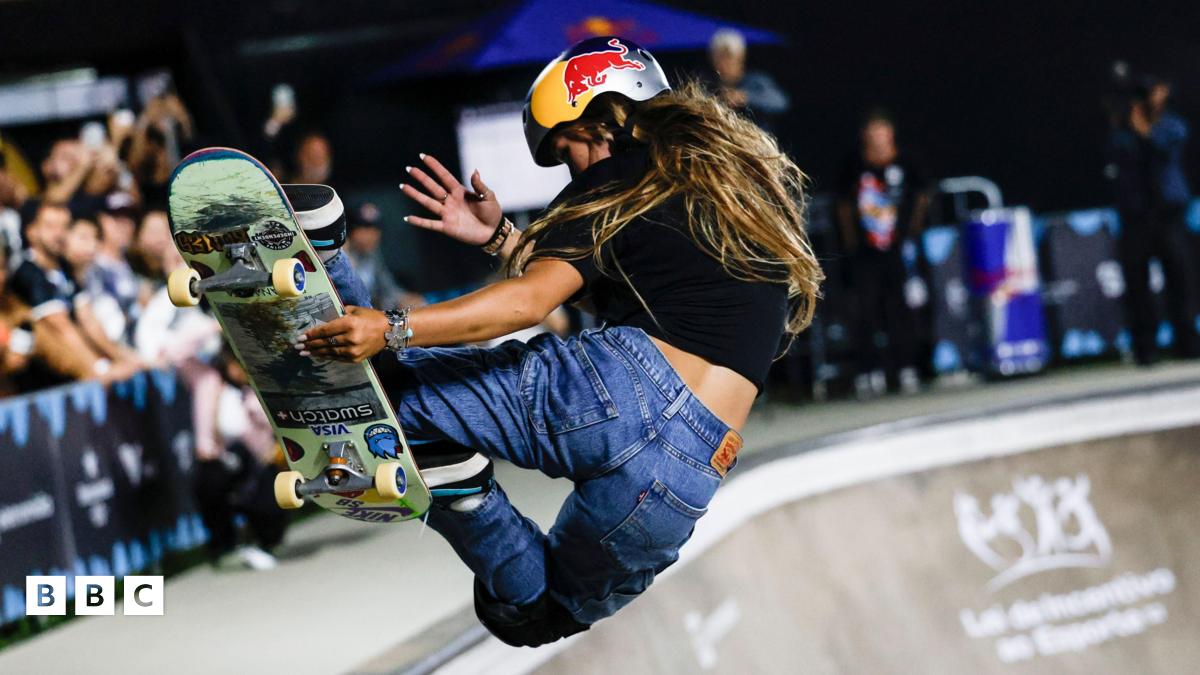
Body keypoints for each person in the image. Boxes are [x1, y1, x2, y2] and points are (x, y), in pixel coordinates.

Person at [296, 37, 822, 646]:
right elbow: (619, 292)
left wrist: (389, 330)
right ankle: (462, 491)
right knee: (541, 615)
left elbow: (529, 302)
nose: (572, 169)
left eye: (567, 147)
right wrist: (501, 238)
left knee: (390, 400)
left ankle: (320, 250)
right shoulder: (727, 195)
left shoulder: (613, 175)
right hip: (689, 467)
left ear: (599, 116)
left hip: (620, 391)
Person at [836, 109, 931, 397]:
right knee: (865, 310)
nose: (878, 139)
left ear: (891, 134)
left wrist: (911, 232)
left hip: (898, 249)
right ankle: (869, 371)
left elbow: (922, 196)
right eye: (872, 133)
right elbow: (843, 205)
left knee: (900, 309)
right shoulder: (854, 164)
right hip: (865, 252)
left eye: (882, 132)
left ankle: (906, 367)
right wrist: (851, 242)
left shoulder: (906, 162)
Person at [1107, 76, 1200, 365]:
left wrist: (1143, 127)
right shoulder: (1122, 129)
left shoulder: (1172, 125)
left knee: (1179, 279)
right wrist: (1130, 122)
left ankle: (1187, 342)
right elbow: (1120, 156)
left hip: (1168, 214)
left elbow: (1159, 150)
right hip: (1136, 216)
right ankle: (1145, 347)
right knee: (1137, 283)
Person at [706, 28, 790, 134]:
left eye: (730, 56)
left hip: (754, 141)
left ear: (741, 57)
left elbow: (780, 102)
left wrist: (744, 97)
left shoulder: (756, 81)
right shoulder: (707, 85)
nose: (725, 62)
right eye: (720, 57)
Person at [342, 201, 422, 309]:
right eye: (363, 228)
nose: (370, 236)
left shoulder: (372, 254)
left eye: (374, 229)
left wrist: (402, 298)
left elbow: (387, 287)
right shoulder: (338, 256)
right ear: (350, 231)